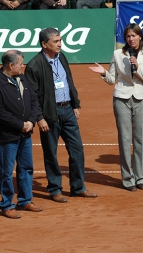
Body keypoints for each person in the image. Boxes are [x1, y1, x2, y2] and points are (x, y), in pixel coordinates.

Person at [25, 28, 97, 203]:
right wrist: (39, 117)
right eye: (56, 41)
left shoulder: (62, 57)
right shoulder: (34, 65)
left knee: (77, 149)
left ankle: (78, 187)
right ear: (44, 44)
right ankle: (55, 189)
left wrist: (75, 104)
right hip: (49, 114)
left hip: (68, 111)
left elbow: (68, 82)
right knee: (51, 153)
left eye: (60, 40)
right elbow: (32, 96)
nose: (59, 44)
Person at [89, 23, 143, 191]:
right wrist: (104, 72)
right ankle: (127, 178)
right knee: (125, 139)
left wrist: (138, 67)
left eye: (134, 35)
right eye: (128, 36)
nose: (131, 39)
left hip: (141, 98)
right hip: (122, 98)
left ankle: (140, 177)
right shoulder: (118, 54)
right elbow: (113, 79)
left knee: (139, 139)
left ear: (140, 36)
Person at [0, 50, 43, 219]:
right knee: (6, 171)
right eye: (20, 63)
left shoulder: (22, 78)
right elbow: (1, 112)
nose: (22, 65)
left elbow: (33, 100)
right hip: (7, 135)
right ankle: (7, 204)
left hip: (26, 133)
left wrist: (31, 122)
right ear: (11, 65)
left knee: (26, 167)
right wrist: (20, 125)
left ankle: (25, 200)